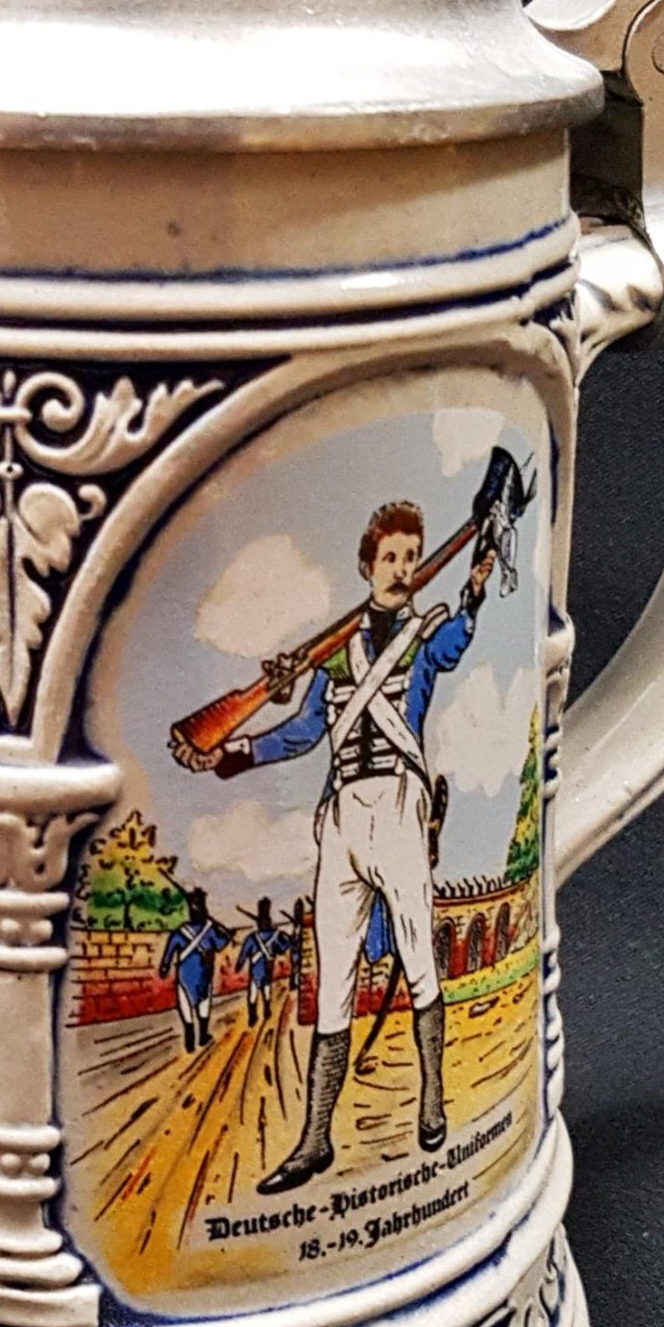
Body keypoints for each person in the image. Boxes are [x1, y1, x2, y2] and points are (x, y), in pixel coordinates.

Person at [172, 499, 494, 1189]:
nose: (402, 569)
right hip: (343, 814)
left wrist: (473, 586)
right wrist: (228, 755)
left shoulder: (424, 636)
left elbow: (456, 643)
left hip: (401, 806)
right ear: (367, 566)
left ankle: (433, 1102)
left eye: (412, 558)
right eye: (391, 558)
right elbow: (300, 734)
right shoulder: (332, 657)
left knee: (419, 960)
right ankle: (315, 1139)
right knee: (336, 981)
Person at [159, 886, 232, 1053]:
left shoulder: (179, 932)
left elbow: (168, 957)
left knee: (186, 1007)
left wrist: (165, 967)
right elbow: (223, 942)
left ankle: (190, 1041)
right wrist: (224, 932)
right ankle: (202, 1036)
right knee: (203, 1006)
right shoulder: (210, 930)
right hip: (204, 978)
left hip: (185, 978)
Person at [237, 897, 293, 1026]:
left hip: (256, 971)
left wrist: (239, 965)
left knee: (253, 994)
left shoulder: (252, 937)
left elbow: (244, 953)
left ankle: (253, 1017)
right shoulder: (275, 936)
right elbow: (283, 948)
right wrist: (287, 938)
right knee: (266, 991)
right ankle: (266, 1011)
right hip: (267, 970)